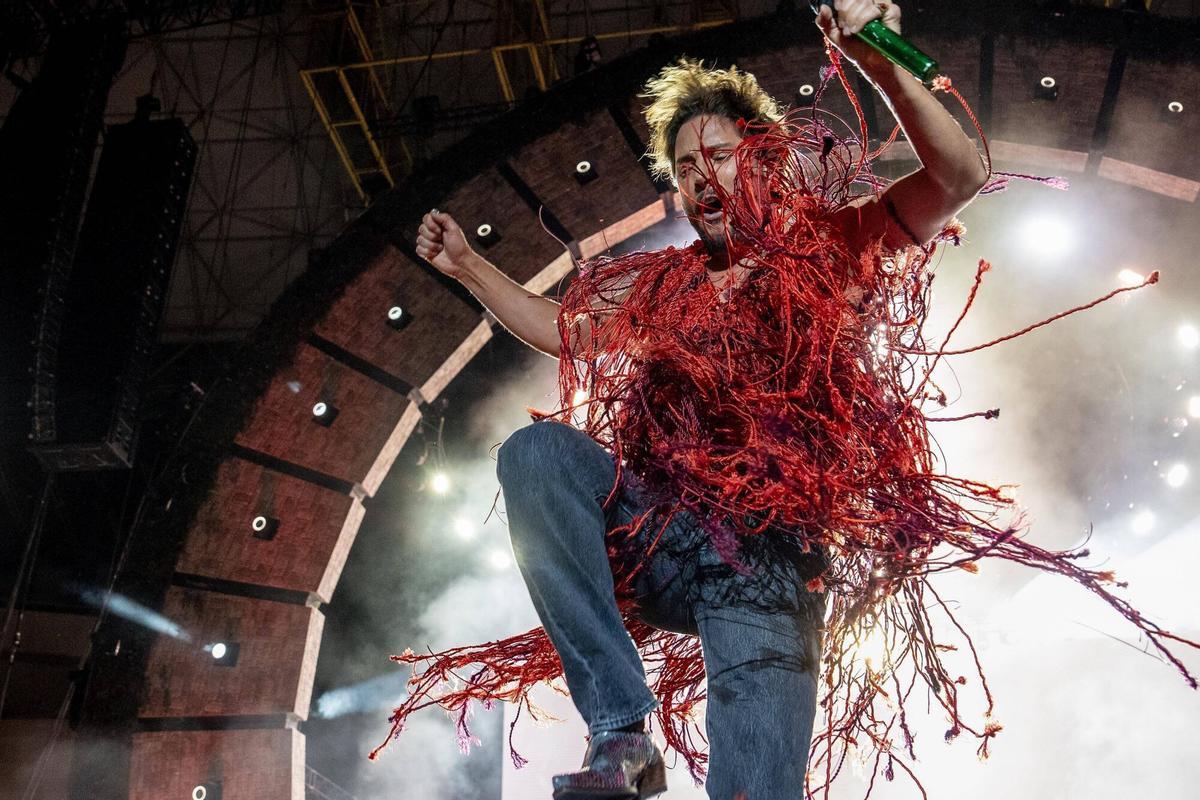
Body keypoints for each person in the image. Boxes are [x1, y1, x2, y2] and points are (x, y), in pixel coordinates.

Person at [412, 2, 989, 798]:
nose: (699, 179)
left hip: (768, 565)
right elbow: (564, 329)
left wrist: (879, 57)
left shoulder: (837, 249)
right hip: (669, 536)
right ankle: (620, 733)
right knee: (536, 455)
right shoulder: (669, 286)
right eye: (684, 168)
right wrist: (470, 270)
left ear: (764, 162)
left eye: (717, 156)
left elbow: (961, 176)